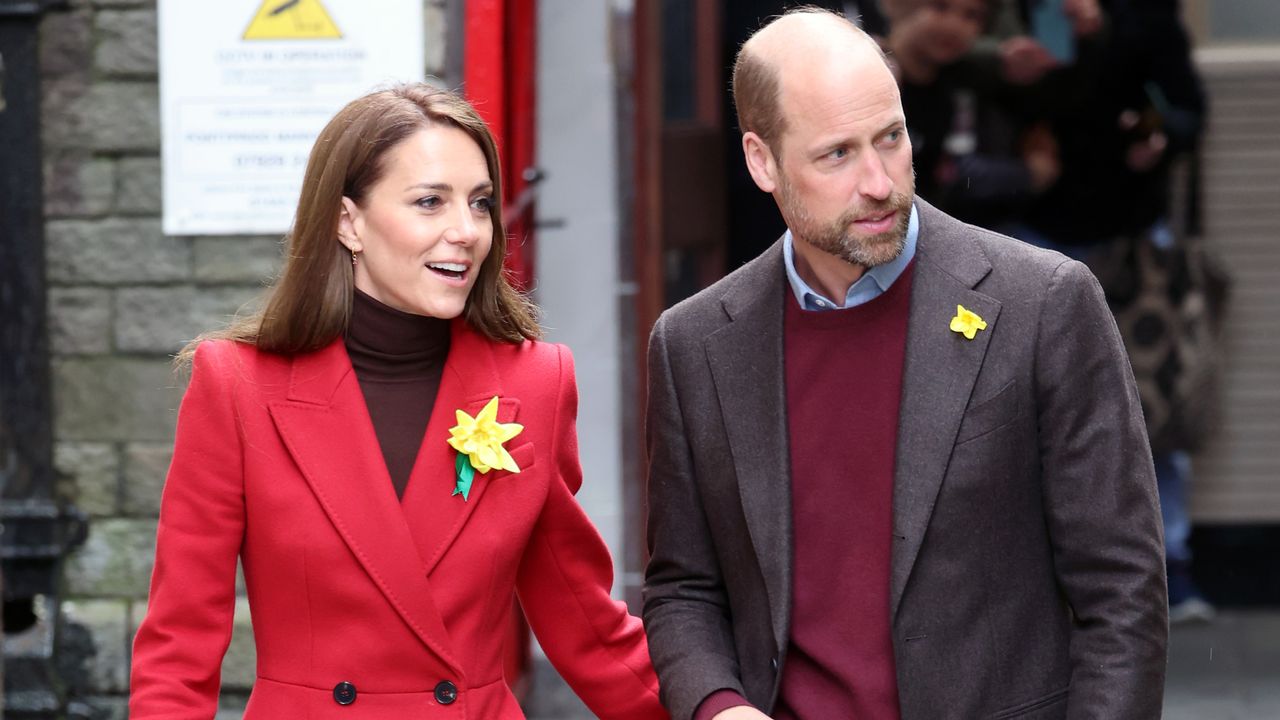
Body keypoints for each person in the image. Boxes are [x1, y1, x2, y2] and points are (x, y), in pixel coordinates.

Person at [642, 8, 1166, 720]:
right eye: (837, 155)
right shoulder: (695, 345)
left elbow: (1124, 595)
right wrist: (717, 706)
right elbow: (684, 589)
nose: (881, 182)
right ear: (762, 160)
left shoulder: (1044, 304)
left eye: (891, 139)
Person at [129, 84, 668, 720]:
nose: (466, 232)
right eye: (429, 202)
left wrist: (710, 709)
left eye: (480, 203)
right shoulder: (237, 384)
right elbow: (179, 647)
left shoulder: (537, 382)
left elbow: (584, 622)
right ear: (347, 221)